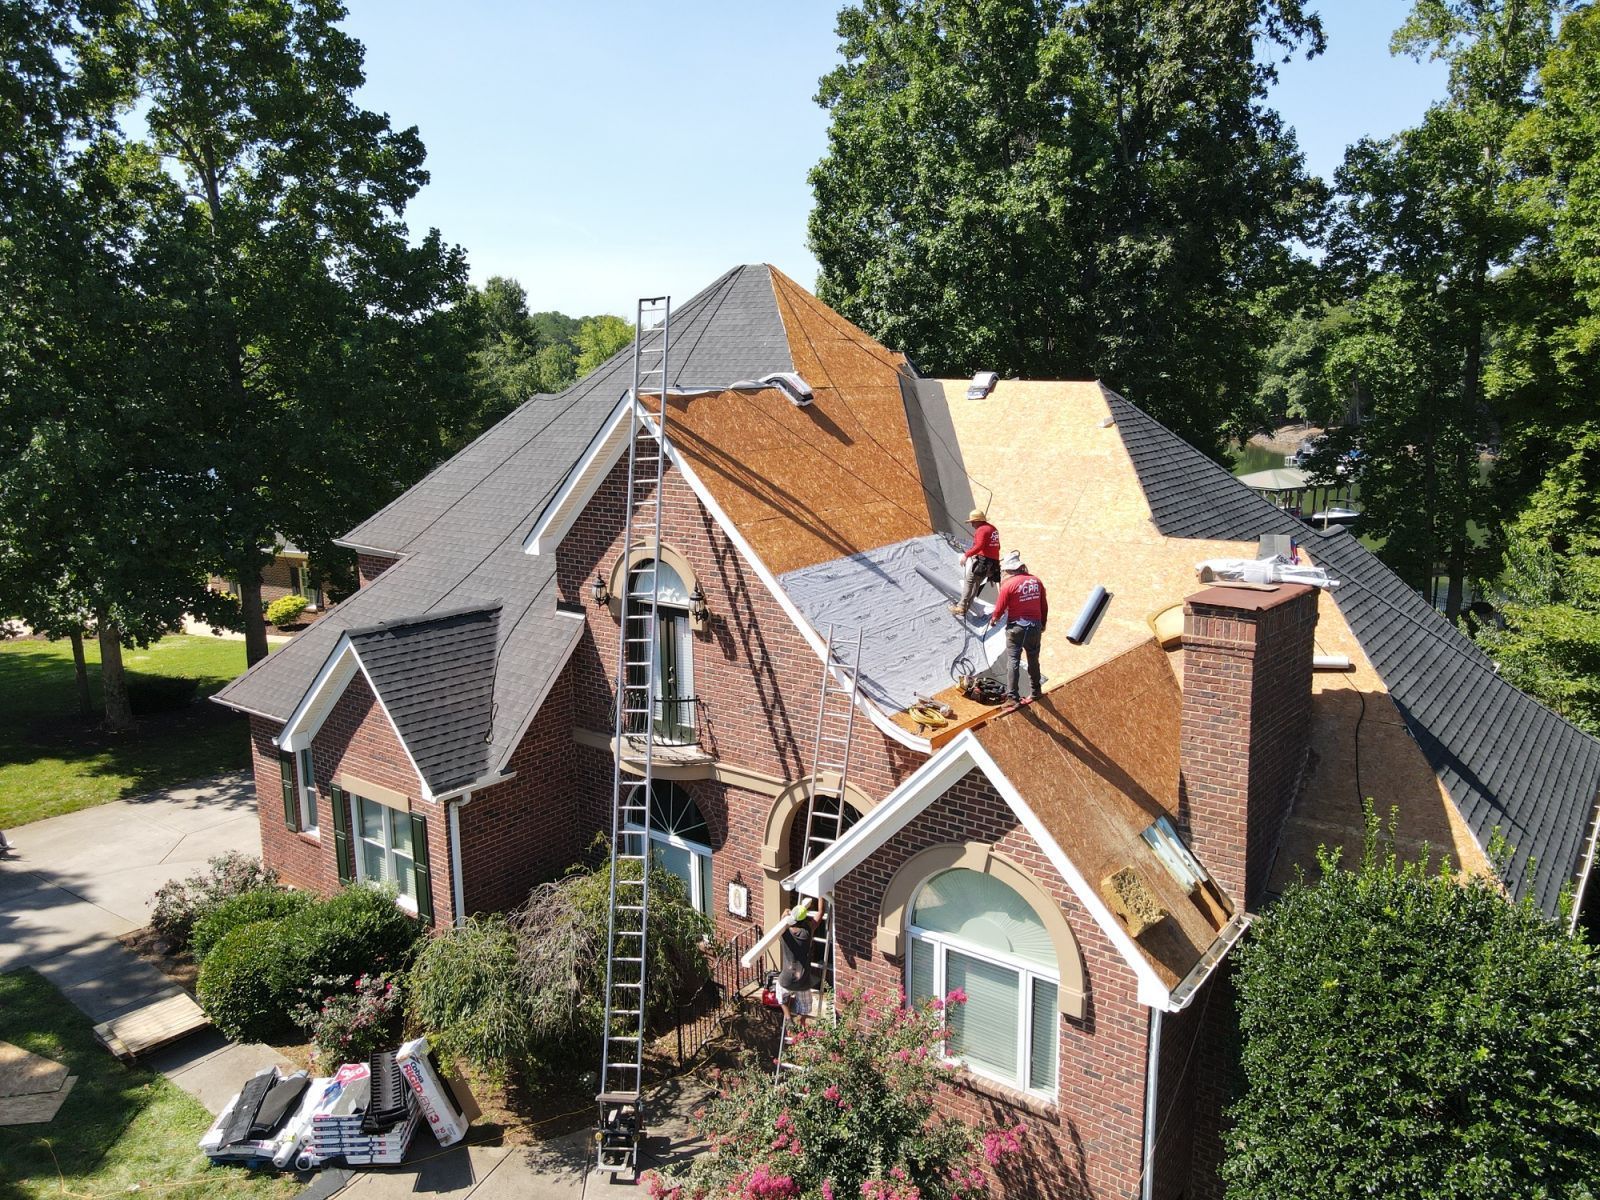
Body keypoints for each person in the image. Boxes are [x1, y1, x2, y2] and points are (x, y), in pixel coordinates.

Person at [987, 549, 1047, 705]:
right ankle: (1036, 691)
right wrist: (1043, 624)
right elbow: (1043, 606)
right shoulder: (1036, 581)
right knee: (1033, 659)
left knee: (1013, 660)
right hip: (1034, 626)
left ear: (1010, 569)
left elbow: (999, 608)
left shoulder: (1009, 585)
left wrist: (994, 620)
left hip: (1016, 627)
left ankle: (1012, 697)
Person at [949, 508, 1000, 617]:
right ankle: (965, 608)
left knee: (969, 581)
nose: (972, 524)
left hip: (983, 563)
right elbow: (997, 546)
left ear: (978, 521)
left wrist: (967, 555)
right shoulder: (993, 529)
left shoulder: (981, 530)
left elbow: (979, 545)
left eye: (972, 522)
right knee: (975, 584)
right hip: (992, 564)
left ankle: (961, 607)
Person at [776, 902, 821, 1026]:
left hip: (786, 979)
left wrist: (783, 916)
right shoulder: (807, 933)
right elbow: (820, 913)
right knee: (806, 1006)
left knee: (780, 995)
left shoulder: (785, 933)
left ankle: (787, 1017)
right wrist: (822, 895)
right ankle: (801, 1021)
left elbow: (781, 925)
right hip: (802, 980)